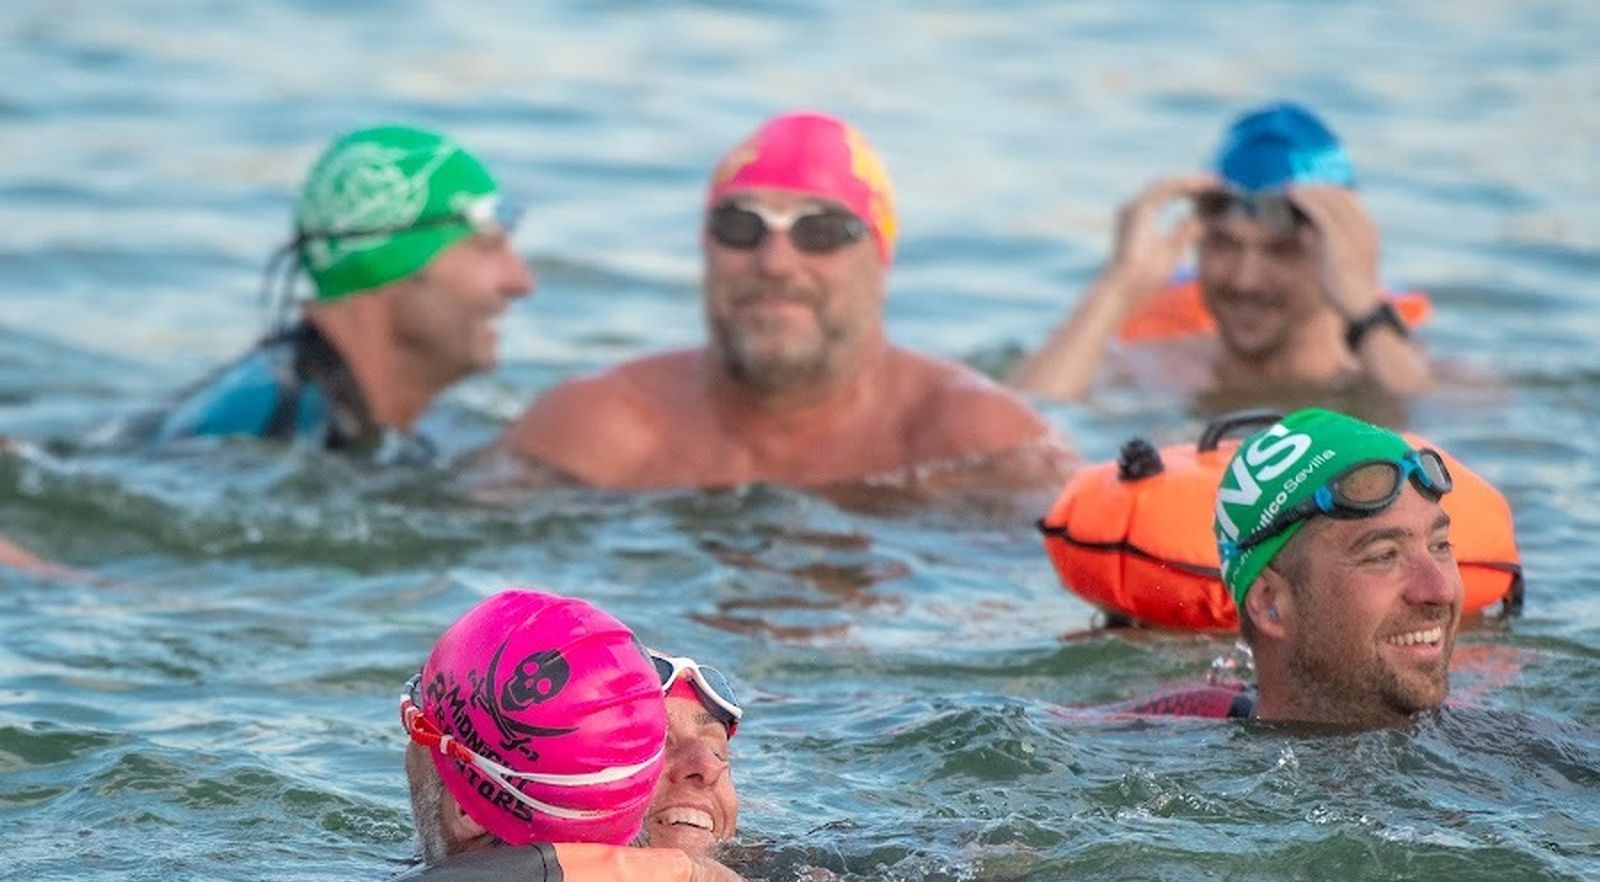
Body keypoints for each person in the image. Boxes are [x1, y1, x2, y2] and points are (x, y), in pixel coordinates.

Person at [490, 110, 1073, 493]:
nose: (775, 262)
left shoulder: (982, 447)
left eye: (820, 233)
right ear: (707, 249)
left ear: (882, 261)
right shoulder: (591, 433)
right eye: (741, 228)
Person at [130, 124, 534, 463]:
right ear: (386, 261)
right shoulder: (270, 429)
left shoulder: (339, 417)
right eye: (487, 248)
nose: (521, 282)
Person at [1010, 103, 1431, 406]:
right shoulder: (1156, 369)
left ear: (1339, 255)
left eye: (1281, 251)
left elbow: (1431, 445)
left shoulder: (1426, 379)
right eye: (1224, 245)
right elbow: (1019, 438)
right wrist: (1118, 287)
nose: (1245, 279)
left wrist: (1363, 305)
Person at [387, 588, 757, 882]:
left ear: (468, 811)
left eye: (718, 749)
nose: (709, 765)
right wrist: (692, 876)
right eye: (655, 747)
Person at [1113, 408, 1462, 729]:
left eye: (1440, 546)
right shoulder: (1161, 743)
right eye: (1383, 555)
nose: (1439, 590)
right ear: (1269, 604)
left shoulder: (1502, 750)